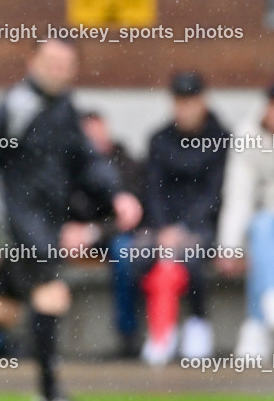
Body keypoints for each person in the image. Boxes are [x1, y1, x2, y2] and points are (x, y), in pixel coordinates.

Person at [0, 38, 142, 401]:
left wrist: (118, 194)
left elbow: (87, 161)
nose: (58, 69)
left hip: (44, 226)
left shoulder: (64, 110)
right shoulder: (11, 109)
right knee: (52, 294)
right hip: (14, 225)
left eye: (66, 64)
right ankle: (51, 397)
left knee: (3, 310)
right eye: (51, 61)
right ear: (33, 61)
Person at [139, 71, 229, 365]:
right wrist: (164, 228)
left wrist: (184, 228)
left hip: (201, 225)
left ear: (203, 101)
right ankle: (155, 331)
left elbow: (214, 193)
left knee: (190, 255)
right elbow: (152, 189)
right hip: (162, 226)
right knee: (137, 254)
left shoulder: (222, 139)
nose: (185, 108)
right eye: (180, 101)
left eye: (191, 101)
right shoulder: (159, 139)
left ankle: (197, 322)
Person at [73, 110, 145, 358]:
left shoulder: (125, 163)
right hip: (74, 238)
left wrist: (93, 232)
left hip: (111, 237)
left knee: (124, 252)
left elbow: (129, 217)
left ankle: (127, 334)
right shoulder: (70, 166)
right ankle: (38, 333)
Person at [215, 83, 274, 358]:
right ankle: (266, 309)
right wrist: (229, 246)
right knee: (263, 229)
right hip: (262, 232)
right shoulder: (247, 135)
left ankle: (256, 322)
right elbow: (238, 195)